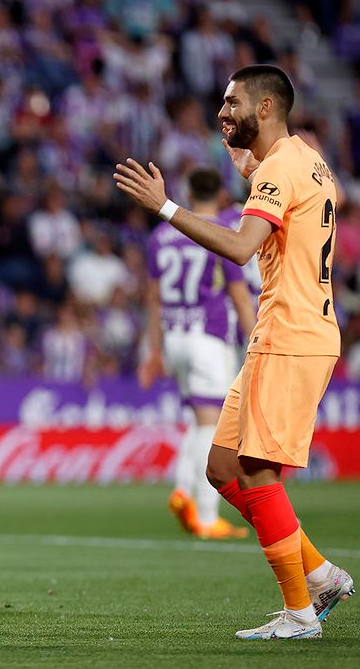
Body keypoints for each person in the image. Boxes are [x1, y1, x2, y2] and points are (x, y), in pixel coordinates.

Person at [114, 64, 353, 640]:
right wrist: (247, 164)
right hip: (281, 330)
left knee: (256, 469)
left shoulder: (282, 168)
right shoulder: (306, 159)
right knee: (222, 468)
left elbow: (243, 248)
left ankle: (300, 613)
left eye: (231, 103)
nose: (222, 113)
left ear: (265, 107)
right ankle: (320, 575)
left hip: (291, 334)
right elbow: (331, 197)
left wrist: (167, 209)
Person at [139, 166, 253, 539]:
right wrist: (255, 337)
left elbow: (153, 298)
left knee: (198, 417)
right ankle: (206, 516)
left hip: (174, 337)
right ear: (221, 194)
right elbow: (237, 292)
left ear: (188, 193)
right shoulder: (220, 230)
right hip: (208, 337)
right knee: (212, 425)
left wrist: (154, 349)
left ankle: (182, 490)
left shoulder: (161, 235)